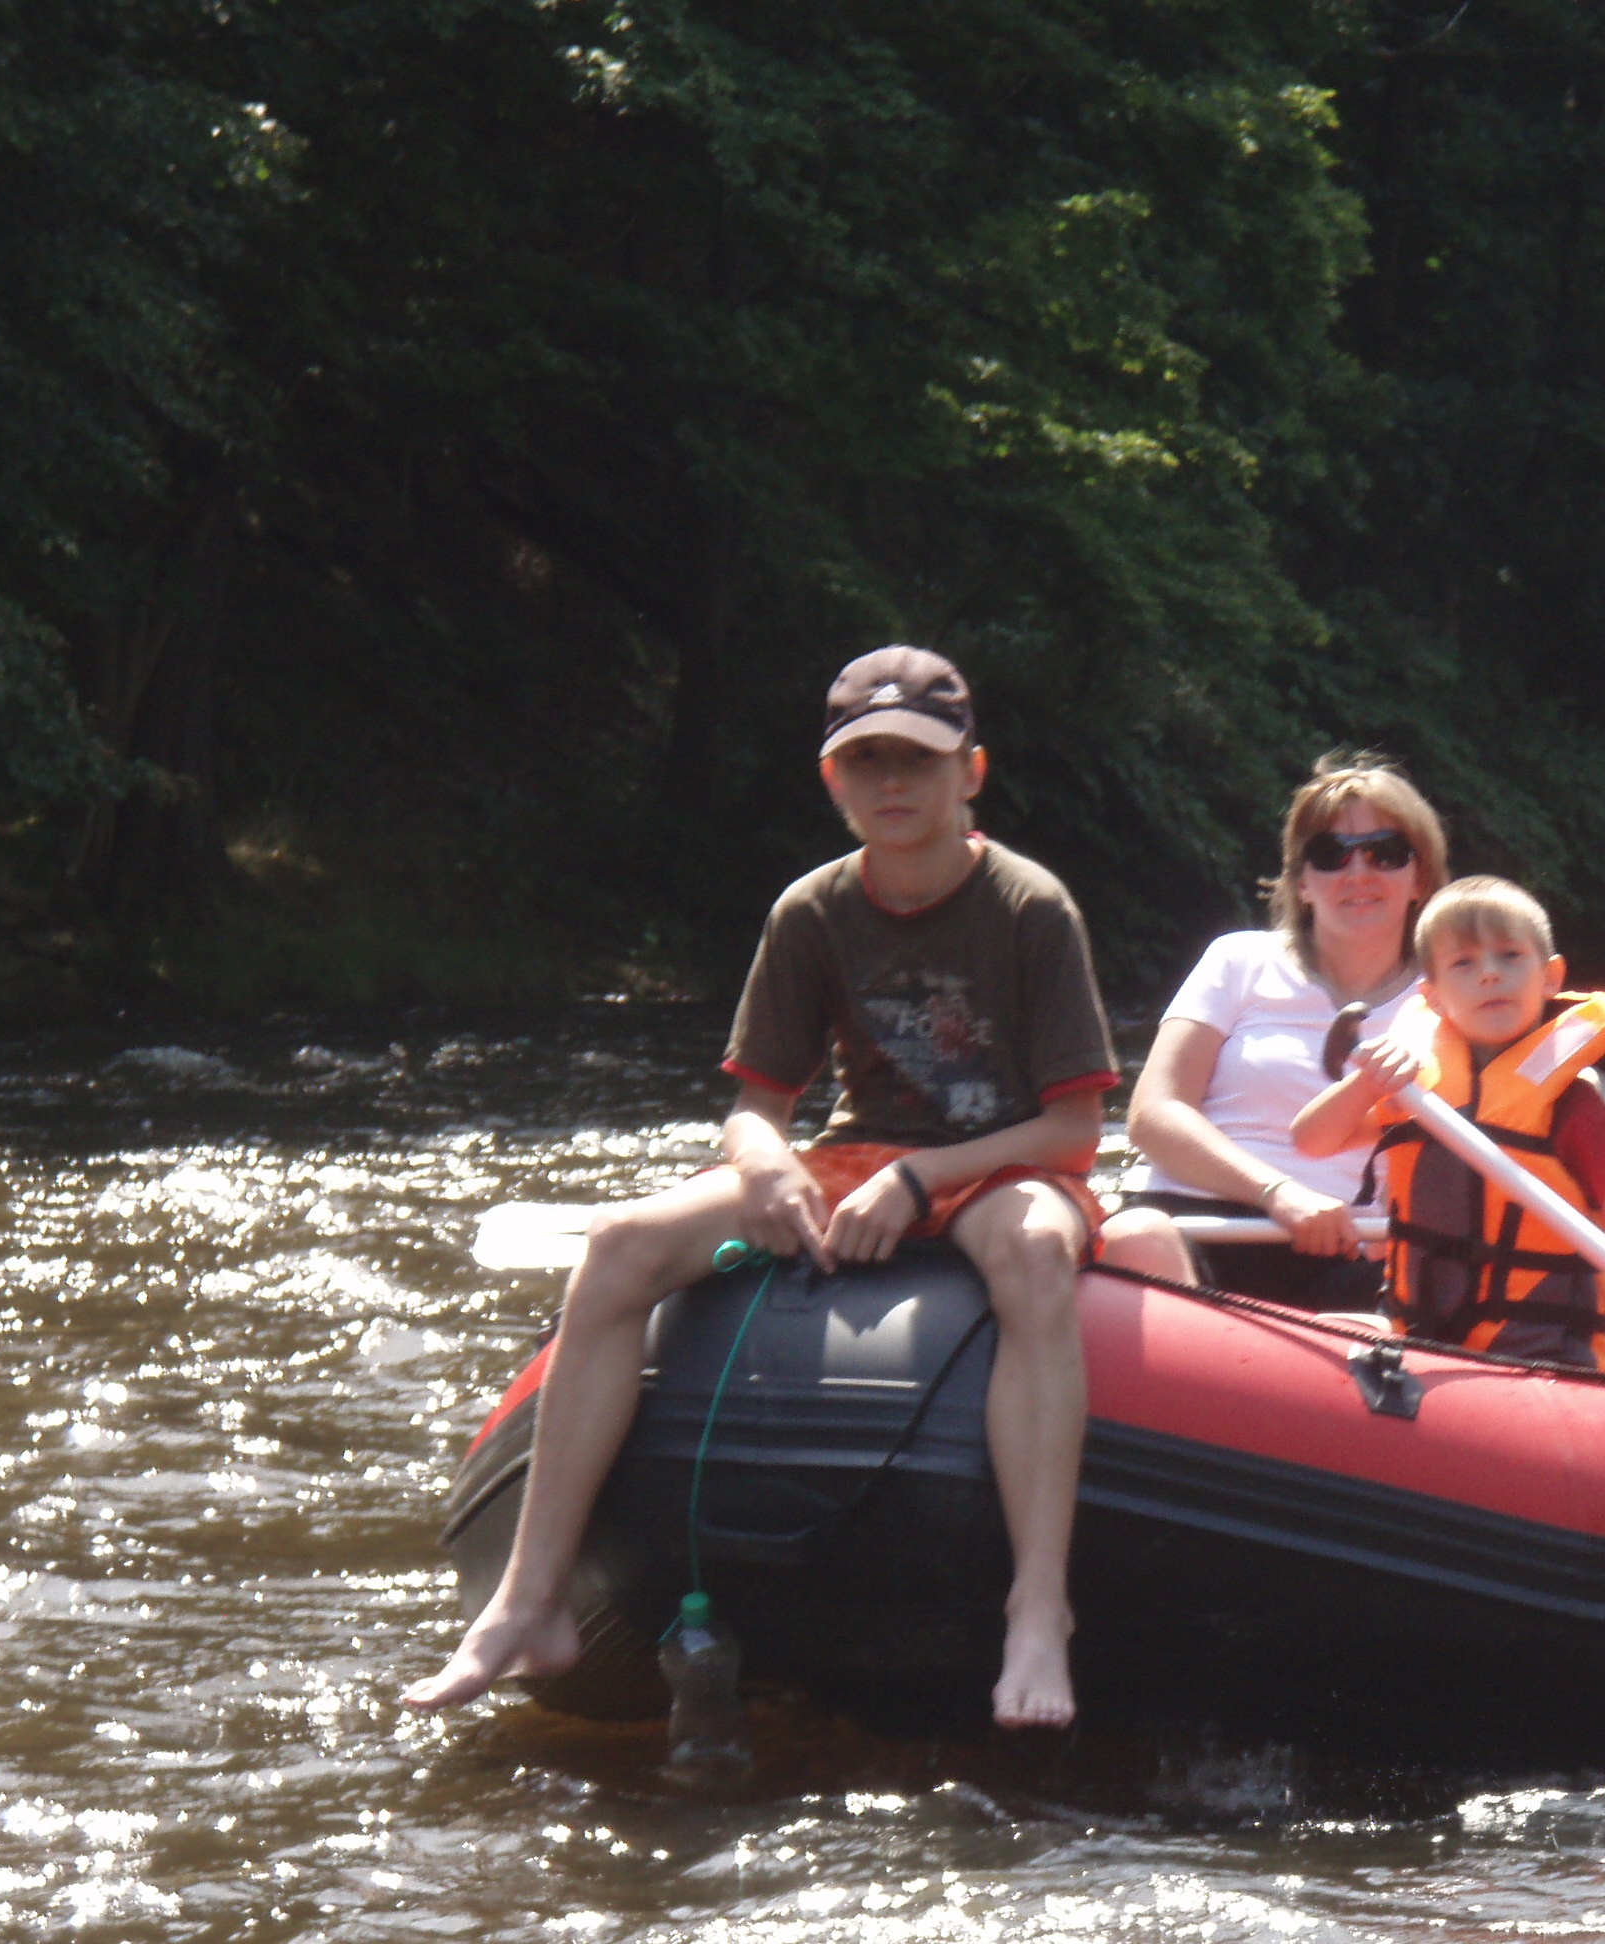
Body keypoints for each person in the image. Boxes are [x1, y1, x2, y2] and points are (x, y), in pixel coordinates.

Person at [402, 648, 1116, 1730]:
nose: (892, 783)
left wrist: (923, 1180)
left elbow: (1074, 1129)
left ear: (970, 772)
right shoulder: (811, 912)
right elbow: (754, 1105)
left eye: (917, 761)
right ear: (832, 782)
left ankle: (1037, 1611)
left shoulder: (1030, 907)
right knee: (620, 1244)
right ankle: (527, 1604)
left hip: (997, 1164)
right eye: (866, 761)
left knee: (1034, 1256)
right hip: (852, 1153)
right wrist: (769, 1165)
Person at [1096, 754, 1445, 1307]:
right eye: (1330, 855)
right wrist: (1278, 1192)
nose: (1358, 873)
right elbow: (1152, 1114)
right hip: (1193, 1226)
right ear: (1302, 882)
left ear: (1419, 876)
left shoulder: (1450, 1001)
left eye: (1385, 853)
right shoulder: (1237, 961)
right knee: (1132, 1237)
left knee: (1401, 1314)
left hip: (1350, 1248)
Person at [1294, 876, 1605, 1372]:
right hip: (1417, 1335)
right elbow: (1311, 1140)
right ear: (1432, 996)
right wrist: (1367, 1083)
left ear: (1551, 977)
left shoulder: (1576, 1102)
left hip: (1546, 1352)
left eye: (1510, 956)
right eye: (1463, 963)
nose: (1489, 975)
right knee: (1312, 1343)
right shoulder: (1413, 1086)